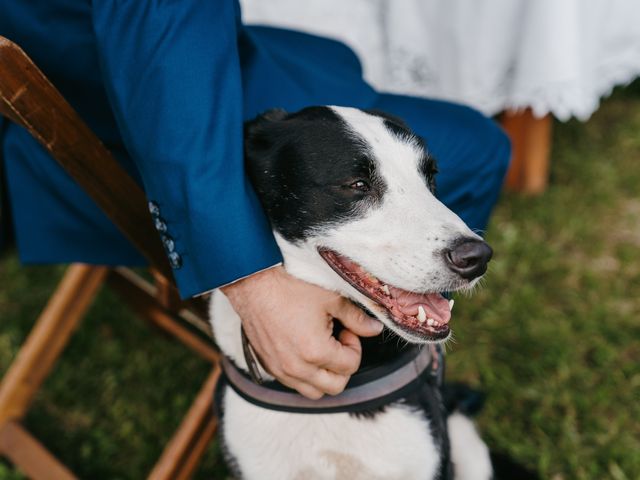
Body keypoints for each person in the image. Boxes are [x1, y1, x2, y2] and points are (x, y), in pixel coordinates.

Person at [0, 1, 510, 400]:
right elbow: (158, 29)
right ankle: (362, 377)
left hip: (157, 54)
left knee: (435, 124)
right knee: (475, 148)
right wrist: (253, 282)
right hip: (121, 130)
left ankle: (382, 349)